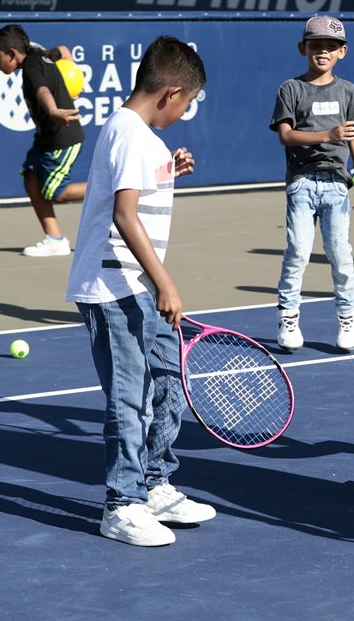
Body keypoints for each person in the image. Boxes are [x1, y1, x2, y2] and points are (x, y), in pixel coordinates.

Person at [65, 36, 214, 547]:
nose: (185, 112)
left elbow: (133, 189)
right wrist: (165, 281)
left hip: (140, 287)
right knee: (130, 400)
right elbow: (123, 214)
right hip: (115, 290)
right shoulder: (128, 132)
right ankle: (122, 505)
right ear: (171, 93)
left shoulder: (143, 138)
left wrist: (170, 169)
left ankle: (154, 484)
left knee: (168, 382)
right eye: (187, 103)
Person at [270, 15, 354, 353]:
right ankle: (288, 316)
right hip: (301, 184)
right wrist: (328, 134)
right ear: (303, 48)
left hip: (337, 186)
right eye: (316, 45)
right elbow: (285, 136)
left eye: (331, 46)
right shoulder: (290, 89)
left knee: (340, 254)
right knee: (298, 252)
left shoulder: (349, 92)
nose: (323, 51)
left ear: (342, 51)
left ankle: (349, 316)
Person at [0, 24, 87, 257]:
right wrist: (75, 81)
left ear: (12, 53)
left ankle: (113, 189)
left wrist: (53, 110)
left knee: (56, 192)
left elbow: (42, 90)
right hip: (45, 138)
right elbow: (64, 50)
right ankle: (55, 239)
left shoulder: (31, 67)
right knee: (31, 176)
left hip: (62, 139)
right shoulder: (41, 55)